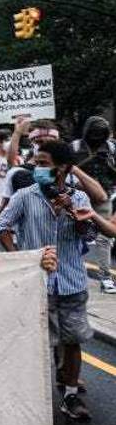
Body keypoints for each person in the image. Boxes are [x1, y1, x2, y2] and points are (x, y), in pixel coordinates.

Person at [0, 139, 94, 422]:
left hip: (71, 283)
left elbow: (90, 237)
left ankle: (70, 394)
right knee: (35, 342)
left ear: (62, 169)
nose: (37, 168)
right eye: (36, 163)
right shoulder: (25, 196)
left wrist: (74, 213)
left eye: (43, 164)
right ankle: (32, 398)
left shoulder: (80, 198)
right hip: (35, 285)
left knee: (72, 341)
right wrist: (21, 257)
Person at [71, 116, 116, 294]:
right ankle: (73, 270)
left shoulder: (111, 148)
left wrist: (107, 163)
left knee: (105, 238)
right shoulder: (75, 148)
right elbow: (68, 169)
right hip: (78, 195)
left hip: (103, 197)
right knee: (73, 234)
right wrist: (91, 159)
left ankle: (105, 277)